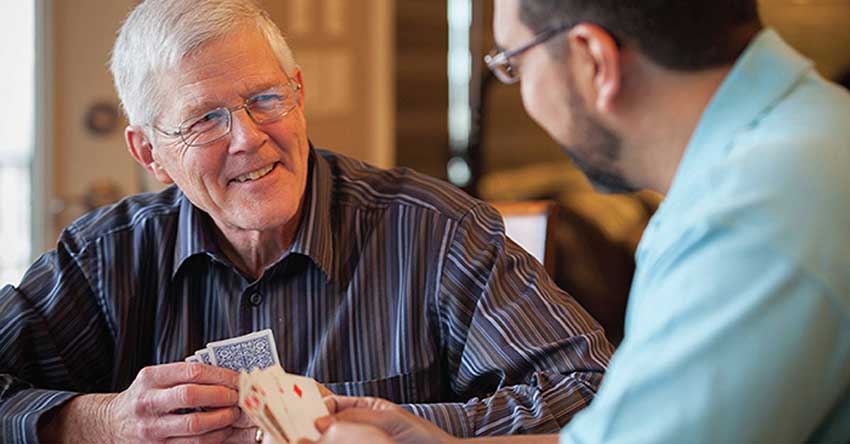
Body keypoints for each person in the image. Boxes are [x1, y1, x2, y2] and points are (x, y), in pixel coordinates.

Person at [0, 0, 615, 442]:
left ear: (297, 92)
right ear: (148, 154)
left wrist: (396, 426)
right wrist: (99, 422)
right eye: (204, 120)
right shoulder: (107, 256)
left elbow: (596, 392)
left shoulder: (436, 233)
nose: (248, 137)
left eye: (265, 99)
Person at [310, 0, 850, 442]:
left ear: (593, 58)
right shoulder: (811, 131)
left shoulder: (747, 221)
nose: (522, 92)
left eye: (515, 63)